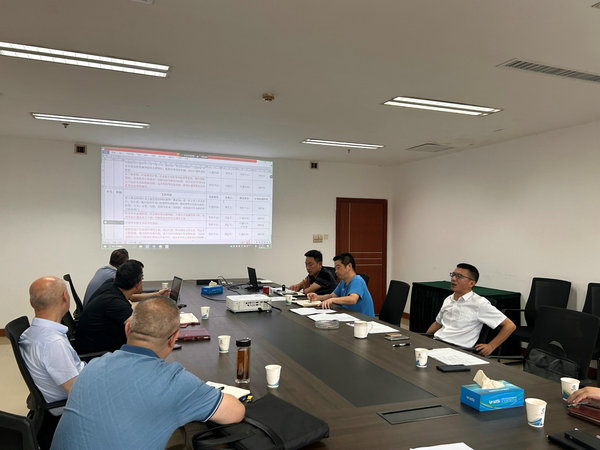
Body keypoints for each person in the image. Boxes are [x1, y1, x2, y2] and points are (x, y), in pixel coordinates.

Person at [51, 296, 245, 449]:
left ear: (127, 328)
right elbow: (235, 413)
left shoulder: (93, 366)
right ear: (173, 339)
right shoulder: (176, 382)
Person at [20, 277, 85, 406]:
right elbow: (77, 393)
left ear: (31, 303)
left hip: (81, 379)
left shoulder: (28, 333)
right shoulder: (53, 343)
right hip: (70, 403)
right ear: (65, 297)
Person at [425, 263, 516, 356]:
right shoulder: (449, 299)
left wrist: (491, 346)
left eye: (459, 276)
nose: (453, 279)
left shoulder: (479, 303)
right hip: (437, 342)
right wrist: (424, 339)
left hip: (457, 349)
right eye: (453, 275)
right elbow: (437, 323)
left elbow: (510, 326)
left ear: (471, 283)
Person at [307, 252, 375, 317]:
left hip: (364, 320)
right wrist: (318, 297)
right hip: (350, 316)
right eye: (335, 268)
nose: (336, 271)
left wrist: (332, 300)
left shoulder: (357, 280)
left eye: (338, 267)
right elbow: (332, 296)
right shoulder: (343, 282)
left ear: (349, 266)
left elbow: (353, 299)